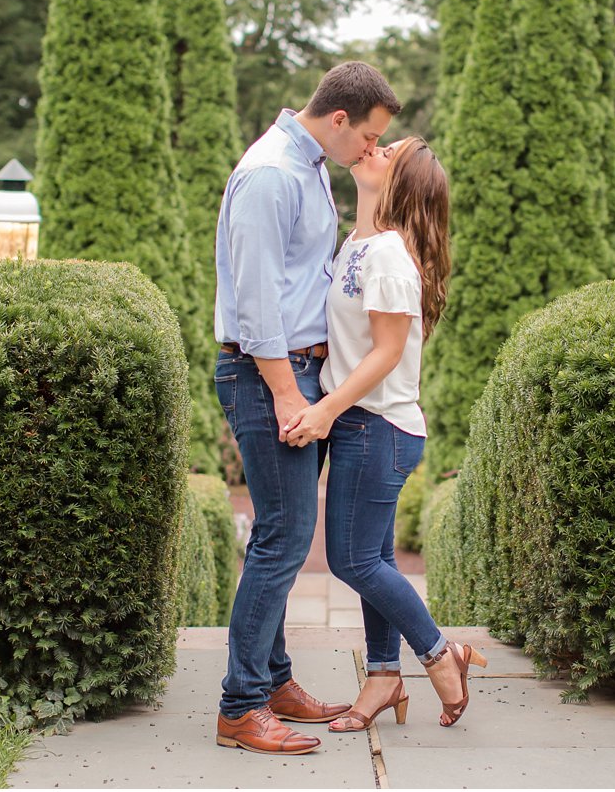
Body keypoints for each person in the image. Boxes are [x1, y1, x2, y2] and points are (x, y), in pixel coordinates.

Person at [212, 61, 400, 755]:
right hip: (267, 375)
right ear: (341, 118)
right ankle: (239, 705)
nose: (372, 151)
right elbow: (257, 301)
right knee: (284, 537)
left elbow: (313, 272)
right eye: (371, 136)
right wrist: (289, 393)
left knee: (285, 536)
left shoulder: (314, 162)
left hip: (299, 371)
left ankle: (274, 679)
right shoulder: (271, 174)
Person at [283, 136, 489, 732]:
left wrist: (323, 410)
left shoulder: (391, 257)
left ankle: (438, 654)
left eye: (388, 151)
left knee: (349, 559)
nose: (372, 147)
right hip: (362, 423)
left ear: (404, 184)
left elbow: (388, 353)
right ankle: (383, 675)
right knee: (372, 557)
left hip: (379, 425)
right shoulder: (359, 243)